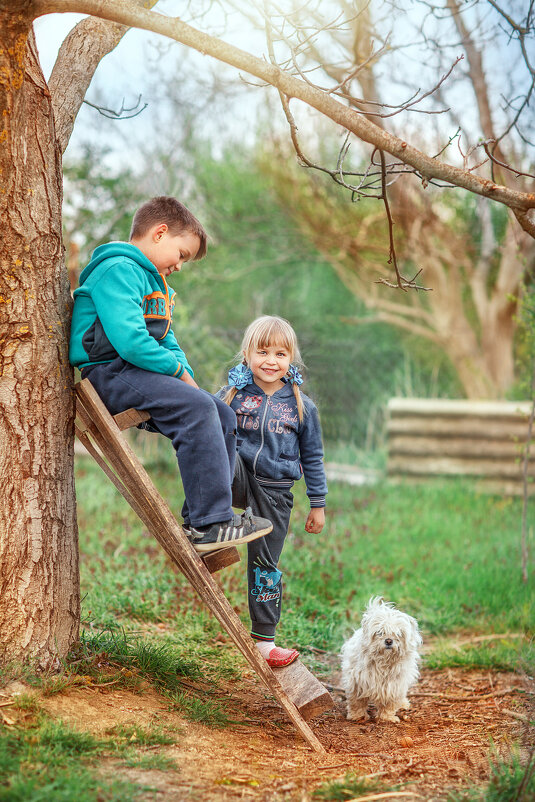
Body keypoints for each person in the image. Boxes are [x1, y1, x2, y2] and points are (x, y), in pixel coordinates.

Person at [69, 196, 272, 552]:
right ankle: (212, 523)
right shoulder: (118, 269)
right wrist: (179, 375)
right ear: (160, 233)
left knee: (219, 411)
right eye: (181, 254)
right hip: (107, 373)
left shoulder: (157, 285)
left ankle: (201, 520)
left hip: (137, 374)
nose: (179, 266)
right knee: (198, 410)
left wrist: (188, 379)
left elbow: (167, 340)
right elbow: (131, 342)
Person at [218, 315, 327, 667]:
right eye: (262, 351)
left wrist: (318, 504)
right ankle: (203, 523)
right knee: (211, 442)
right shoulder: (231, 395)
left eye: (280, 354)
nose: (271, 360)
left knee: (266, 564)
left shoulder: (301, 405)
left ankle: (265, 642)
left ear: (290, 359)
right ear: (247, 353)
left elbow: (313, 456)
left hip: (275, 492)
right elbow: (196, 423)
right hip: (236, 479)